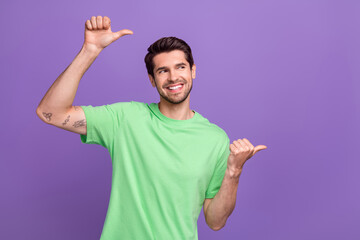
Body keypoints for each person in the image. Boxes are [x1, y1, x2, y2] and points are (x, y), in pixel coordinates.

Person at [36, 15, 267, 240]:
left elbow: (215, 221)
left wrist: (234, 172)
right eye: (162, 70)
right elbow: (51, 113)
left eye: (180, 67)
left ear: (193, 71)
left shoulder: (215, 139)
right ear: (152, 79)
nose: (173, 77)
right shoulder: (125, 118)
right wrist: (90, 50)